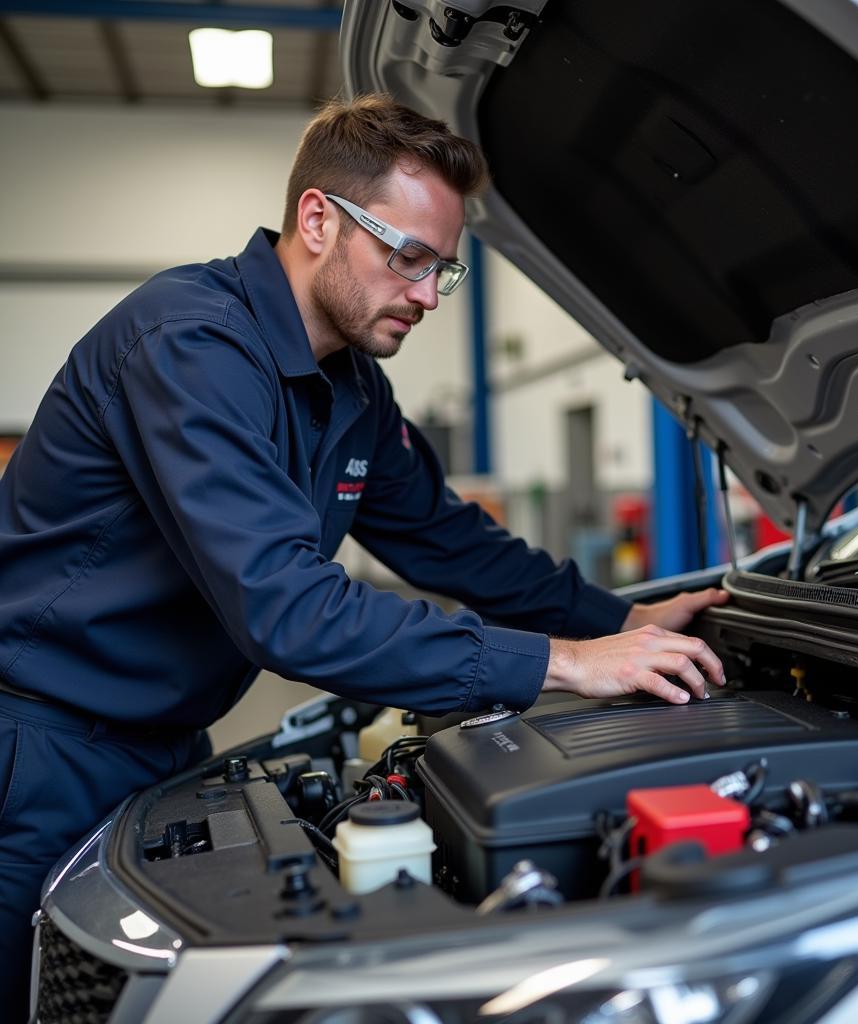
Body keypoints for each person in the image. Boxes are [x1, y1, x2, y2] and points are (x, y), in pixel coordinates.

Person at [0, 94, 728, 1016]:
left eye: (444, 270)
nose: (427, 294)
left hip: (166, 744)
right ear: (317, 220)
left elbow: (450, 540)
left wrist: (621, 622)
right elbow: (287, 611)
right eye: (409, 257)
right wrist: (563, 664)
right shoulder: (190, 344)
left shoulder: (352, 386)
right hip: (39, 748)